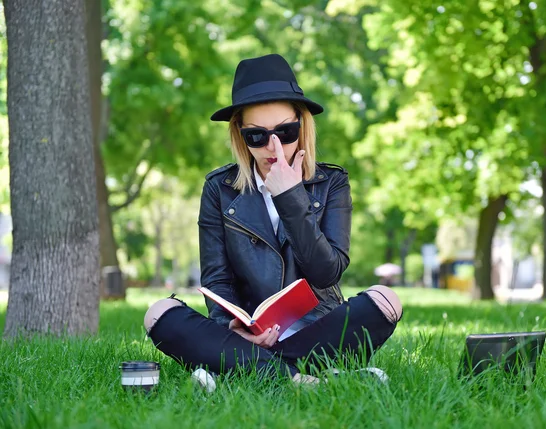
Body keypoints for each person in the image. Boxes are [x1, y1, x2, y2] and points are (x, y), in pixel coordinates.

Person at [143, 54, 403, 388]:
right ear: (240, 135)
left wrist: (290, 196)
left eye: (286, 131)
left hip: (317, 332)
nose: (273, 147)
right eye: (257, 136)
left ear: (303, 125)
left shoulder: (332, 182)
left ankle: (244, 374)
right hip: (248, 339)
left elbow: (327, 273)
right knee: (159, 312)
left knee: (386, 299)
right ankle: (303, 378)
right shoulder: (218, 189)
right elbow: (217, 278)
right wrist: (232, 328)